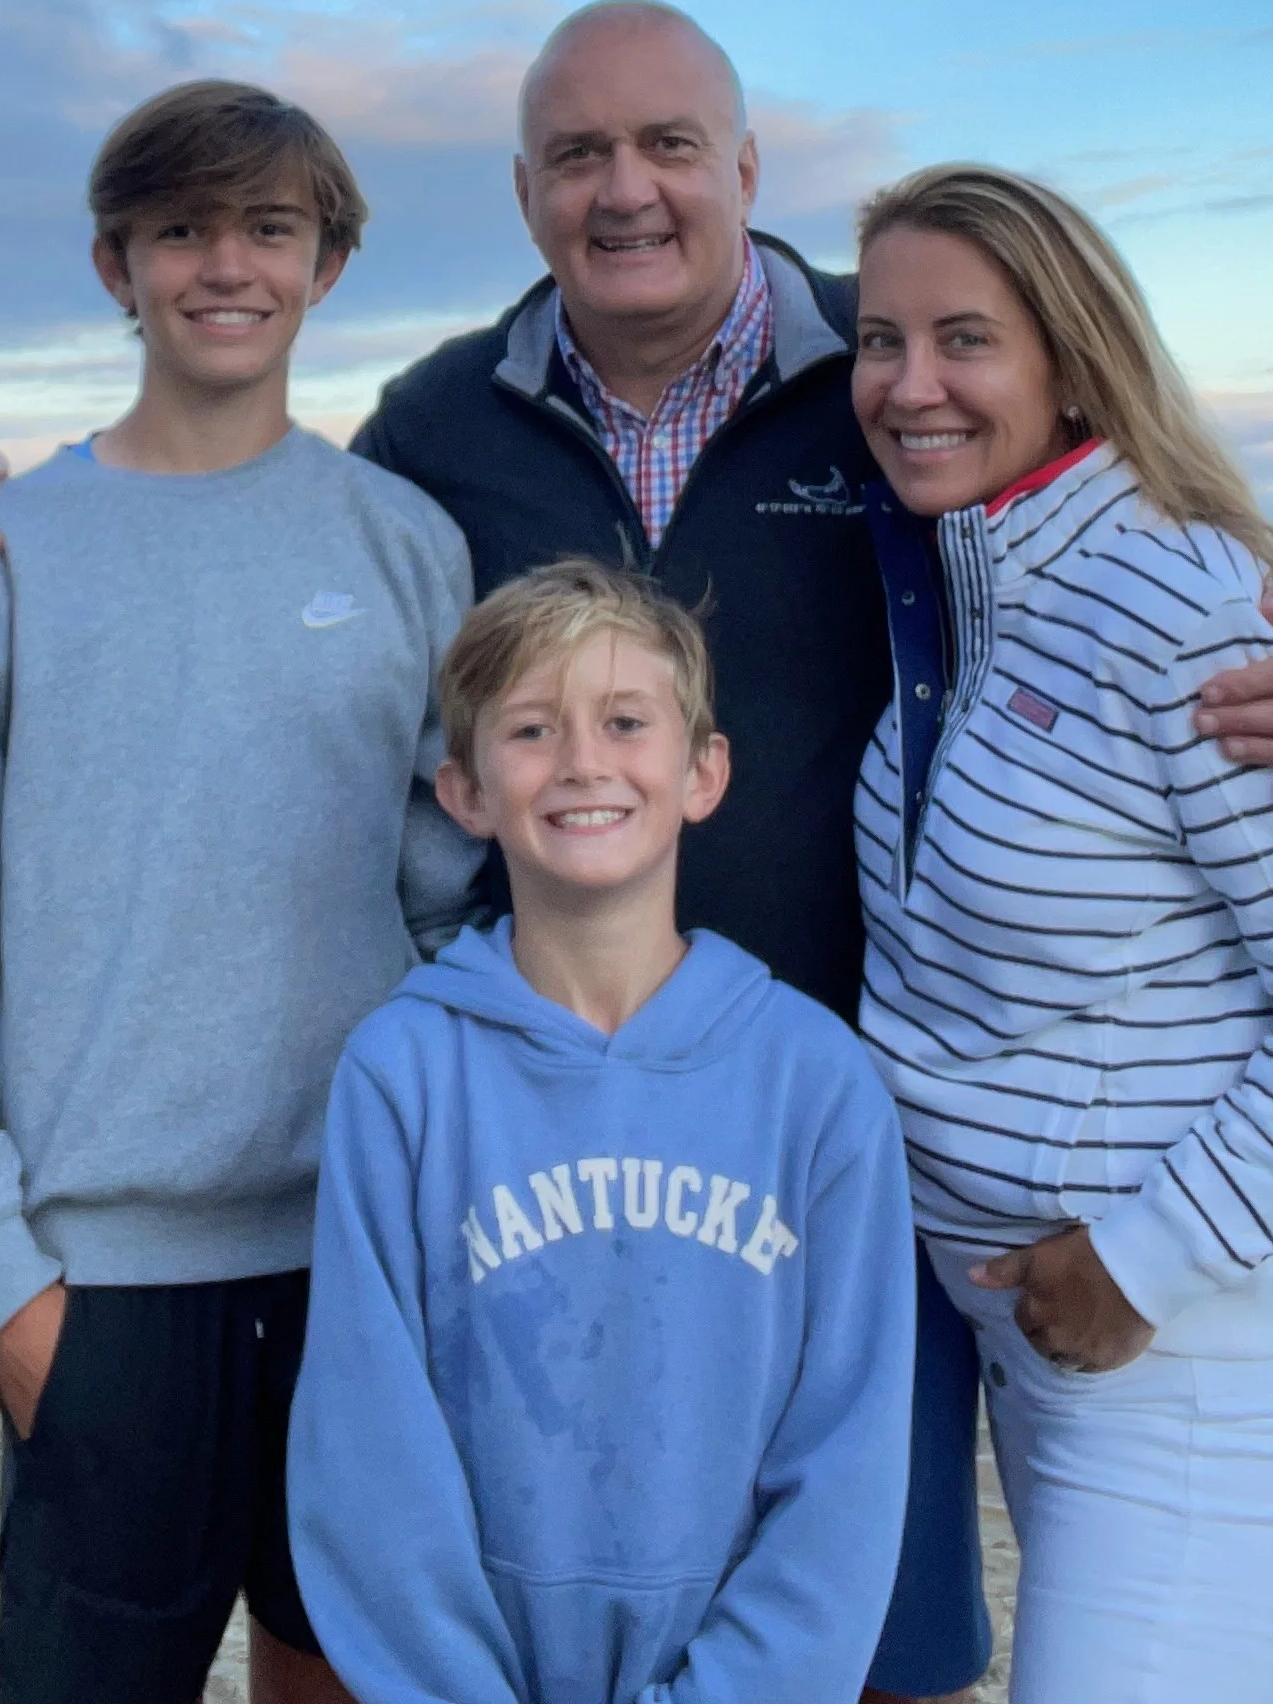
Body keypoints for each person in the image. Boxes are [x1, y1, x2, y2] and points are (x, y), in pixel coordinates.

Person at [0, 0, 1273, 1702]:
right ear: (528, 191)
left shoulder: (888, 372)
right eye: (579, 154)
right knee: (493, 1594)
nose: (628, 189)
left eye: (670, 144)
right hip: (531, 1144)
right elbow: (321, 698)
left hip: (846, 1137)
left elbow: (1134, 547)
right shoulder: (436, 433)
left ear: (745, 166)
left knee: (862, 1618)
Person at [0, 81, 481, 1704]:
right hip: (94, 1292)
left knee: (340, 1672)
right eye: (183, 227)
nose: (228, 263)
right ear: (112, 261)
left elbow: (452, 905)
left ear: (326, 262)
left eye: (269, 226)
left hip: (361, 1261)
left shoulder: (408, 544)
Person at [850, 164, 1273, 1703]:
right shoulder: (969, 592)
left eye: (965, 339)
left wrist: (1140, 1262)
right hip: (1035, 1343)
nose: (911, 385)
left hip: (1197, 1365)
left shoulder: (1195, 615)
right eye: (880, 340)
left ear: (1071, 356)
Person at [287, 558, 917, 1704]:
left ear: (702, 771)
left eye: (627, 721)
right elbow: (371, 1461)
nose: (582, 761)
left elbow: (848, 1460)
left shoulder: (815, 1083)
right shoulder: (404, 1075)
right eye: (531, 729)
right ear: (465, 791)